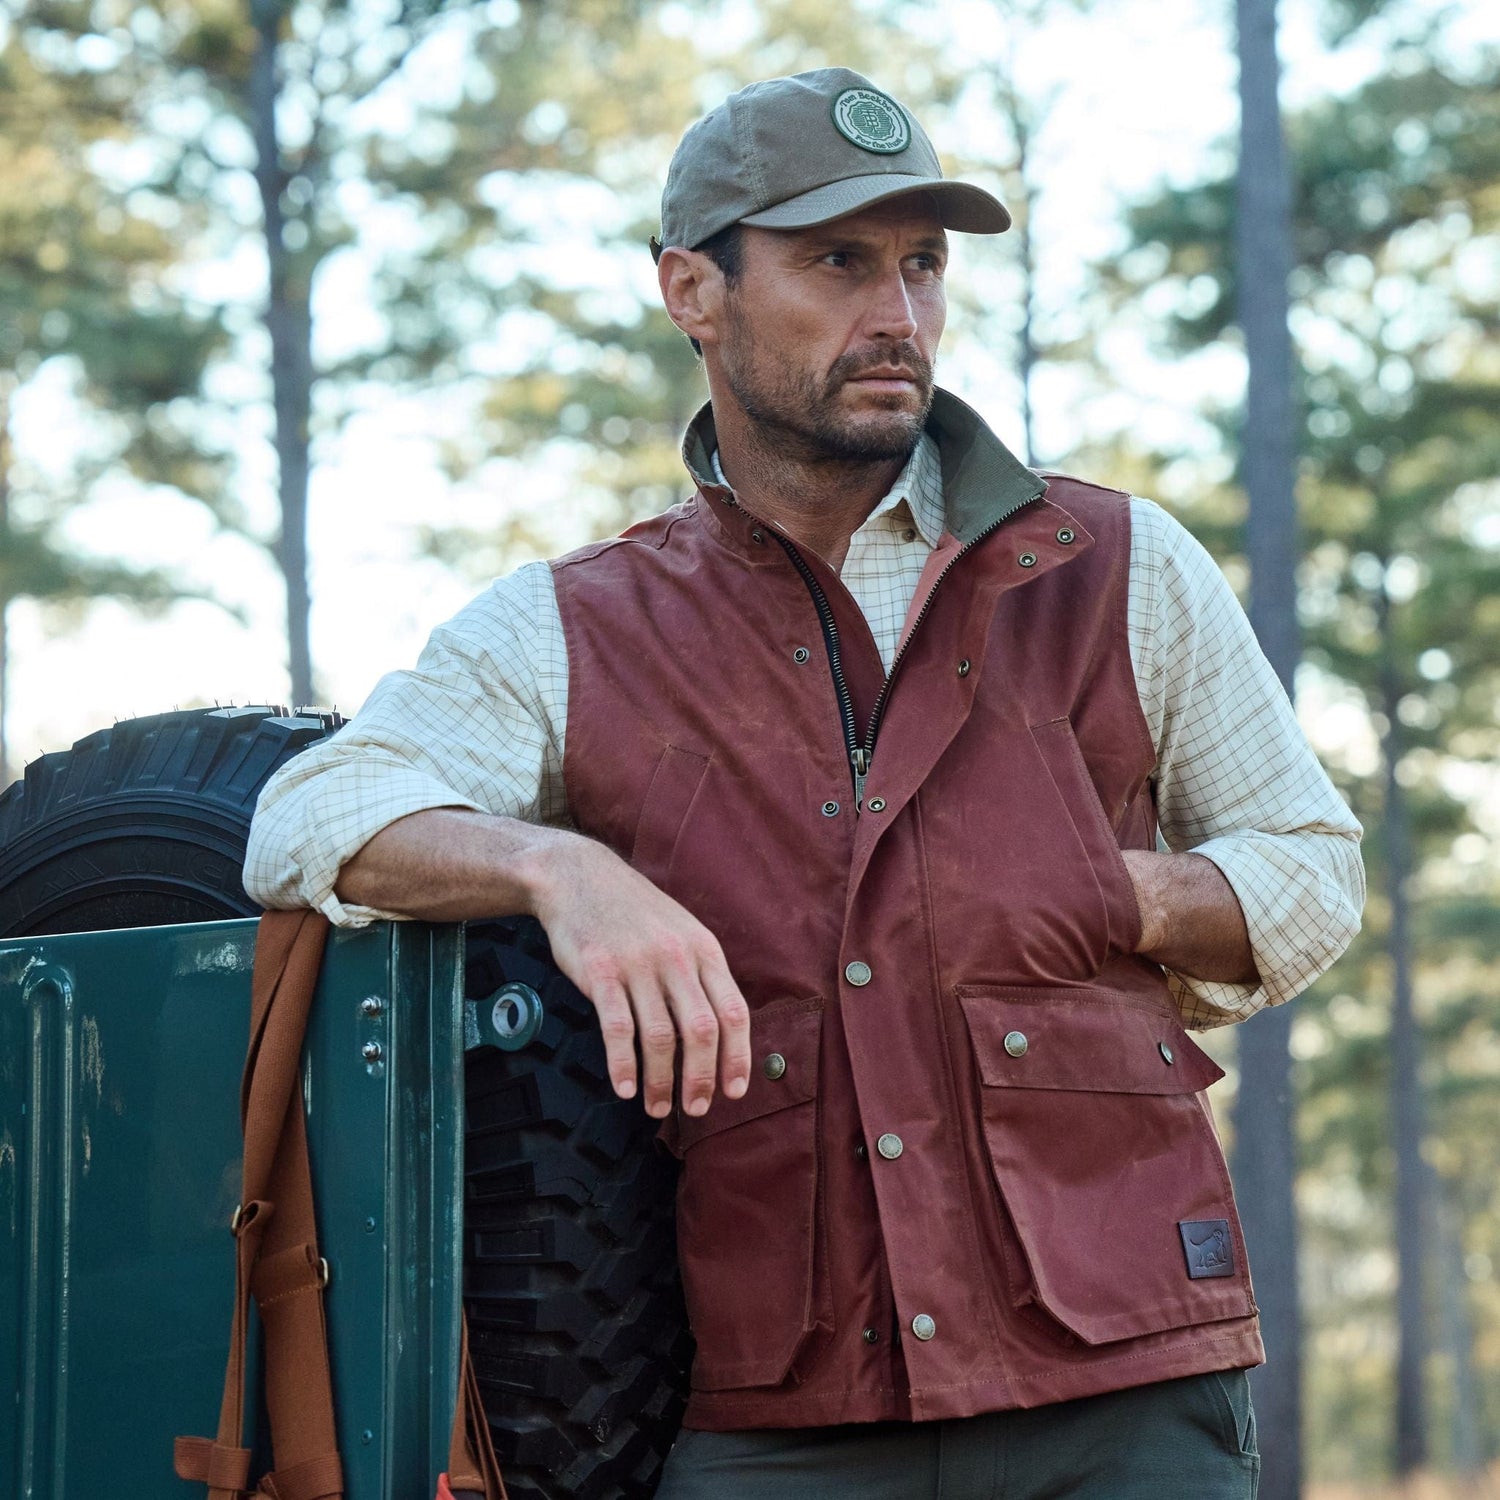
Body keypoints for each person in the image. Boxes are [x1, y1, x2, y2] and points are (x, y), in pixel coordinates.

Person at [245, 67, 1363, 1500]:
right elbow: (309, 817)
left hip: (1129, 1386)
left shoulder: (1122, 566)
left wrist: (1099, 889)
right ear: (690, 291)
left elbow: (1314, 869)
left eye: (922, 266)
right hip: (782, 1414)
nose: (896, 314)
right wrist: (560, 870)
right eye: (836, 263)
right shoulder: (570, 626)